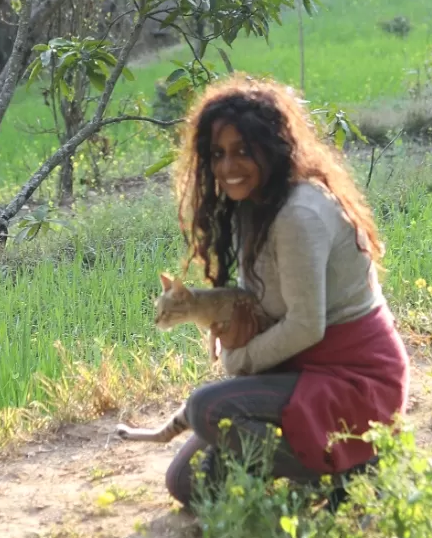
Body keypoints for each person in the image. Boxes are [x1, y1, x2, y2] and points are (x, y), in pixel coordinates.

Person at [164, 75, 409, 508]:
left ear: (272, 147)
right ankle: (309, 457)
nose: (228, 167)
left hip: (353, 378)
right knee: (186, 483)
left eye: (243, 151)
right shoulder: (251, 205)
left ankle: (346, 471)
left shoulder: (299, 214)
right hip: (300, 369)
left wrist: (238, 359)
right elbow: (259, 303)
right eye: (217, 154)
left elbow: (306, 325)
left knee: (206, 408)